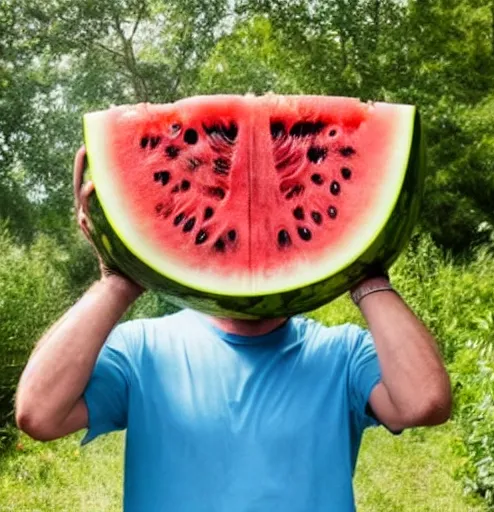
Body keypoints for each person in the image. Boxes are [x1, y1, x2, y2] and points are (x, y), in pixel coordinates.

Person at [15, 147, 452, 512]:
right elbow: (39, 413)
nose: (247, 255)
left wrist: (363, 262)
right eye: (230, 238)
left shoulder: (341, 353)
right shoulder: (141, 350)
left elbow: (424, 403)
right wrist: (119, 276)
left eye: (271, 238)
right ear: (200, 239)